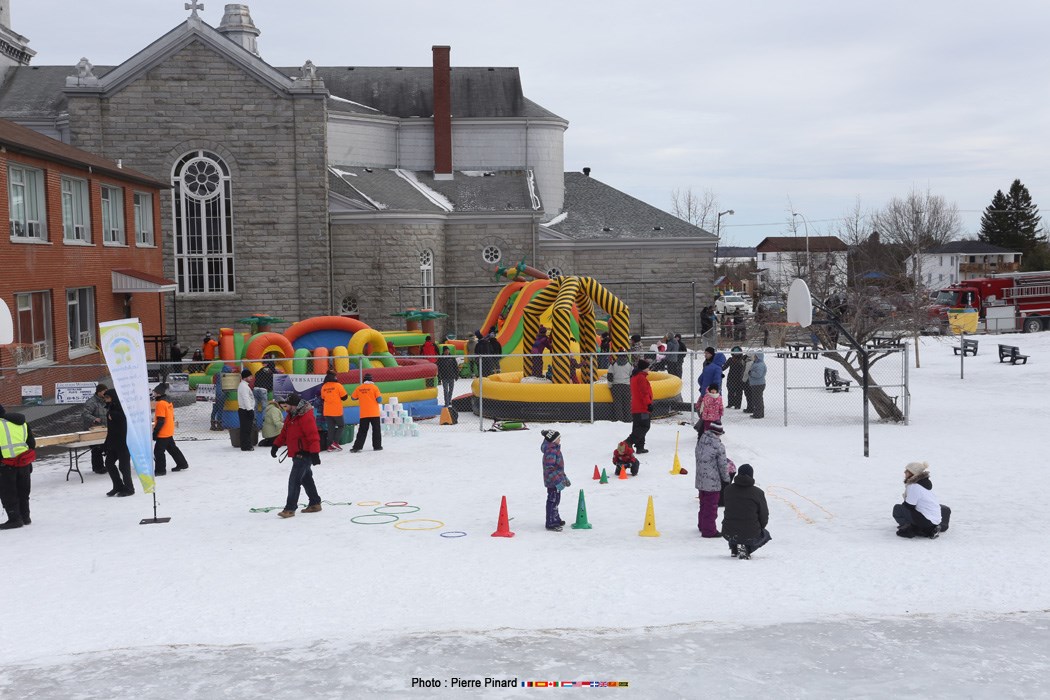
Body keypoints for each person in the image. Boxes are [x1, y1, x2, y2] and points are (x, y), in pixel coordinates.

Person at [270, 393, 322, 518]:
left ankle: (290, 509)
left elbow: (313, 436)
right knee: (306, 478)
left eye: (286, 406)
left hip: (304, 454)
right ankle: (315, 502)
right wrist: (276, 445)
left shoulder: (306, 417)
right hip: (296, 452)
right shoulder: (291, 416)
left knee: (294, 480)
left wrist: (315, 453)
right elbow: (284, 433)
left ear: (294, 406)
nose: (284, 409)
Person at [722, 463, 771, 559]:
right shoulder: (758, 492)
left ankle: (734, 547)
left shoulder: (728, 490)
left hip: (728, 530)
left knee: (736, 526)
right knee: (765, 534)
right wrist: (760, 528)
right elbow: (764, 515)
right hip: (749, 531)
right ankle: (746, 548)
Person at [0, 405, 37, 529]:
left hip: (6, 465)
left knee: (8, 493)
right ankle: (25, 517)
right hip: (24, 463)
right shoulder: (22, 423)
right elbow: (31, 443)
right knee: (23, 491)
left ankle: (14, 519)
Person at [893, 462, 950, 539]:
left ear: (912, 473)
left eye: (907, 471)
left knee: (898, 509)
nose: (904, 472)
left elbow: (909, 506)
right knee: (942, 508)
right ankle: (934, 527)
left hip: (926, 521)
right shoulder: (924, 484)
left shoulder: (914, 486)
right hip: (936, 519)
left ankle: (918, 528)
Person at [694, 420, 730, 537]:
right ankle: (709, 531)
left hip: (700, 480)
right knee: (711, 507)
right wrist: (726, 479)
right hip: (712, 482)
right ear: (717, 433)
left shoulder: (701, 441)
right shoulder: (718, 446)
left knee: (703, 504)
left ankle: (702, 525)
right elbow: (723, 465)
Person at [103, 389, 134, 497]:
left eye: (107, 397)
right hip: (113, 442)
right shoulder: (110, 409)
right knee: (109, 463)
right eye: (105, 398)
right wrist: (106, 444)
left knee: (124, 466)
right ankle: (118, 486)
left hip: (123, 442)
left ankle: (129, 488)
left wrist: (113, 415)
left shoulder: (121, 408)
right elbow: (111, 429)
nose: (106, 400)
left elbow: (124, 419)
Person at [152, 383, 189, 475]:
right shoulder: (168, 401)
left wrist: (156, 432)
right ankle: (182, 464)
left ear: (159, 393)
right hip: (169, 429)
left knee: (158, 451)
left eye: (155, 392)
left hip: (163, 432)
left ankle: (160, 470)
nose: (154, 394)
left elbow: (161, 420)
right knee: (172, 448)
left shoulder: (160, 404)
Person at [540, 429, 570, 531]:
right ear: (553, 440)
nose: (560, 439)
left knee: (556, 500)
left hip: (557, 480)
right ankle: (550, 522)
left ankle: (556, 518)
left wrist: (564, 477)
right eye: (558, 438)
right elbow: (550, 468)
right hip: (552, 481)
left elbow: (558, 467)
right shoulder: (551, 450)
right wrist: (557, 481)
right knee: (552, 500)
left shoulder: (555, 449)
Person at [350, 373, 383, 452]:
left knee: (362, 430)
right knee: (376, 430)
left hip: (364, 413)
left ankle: (357, 447)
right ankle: (377, 446)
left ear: (364, 380)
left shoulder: (359, 388)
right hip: (374, 413)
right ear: (371, 380)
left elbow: (353, 398)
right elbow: (379, 400)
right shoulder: (374, 387)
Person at [81, 383, 109, 474]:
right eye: (104, 391)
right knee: (97, 449)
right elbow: (85, 414)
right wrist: (94, 419)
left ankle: (107, 465)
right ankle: (98, 467)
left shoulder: (106, 401)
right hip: (93, 429)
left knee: (107, 448)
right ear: (99, 392)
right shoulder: (92, 402)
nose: (106, 392)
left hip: (105, 429)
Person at [627, 358, 653, 454]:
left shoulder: (634, 377)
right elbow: (644, 393)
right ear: (643, 368)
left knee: (638, 426)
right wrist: (648, 404)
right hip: (643, 407)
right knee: (645, 426)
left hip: (636, 407)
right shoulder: (641, 378)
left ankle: (639, 447)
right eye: (648, 367)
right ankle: (629, 441)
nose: (649, 369)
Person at [320, 371, 348, 451]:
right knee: (341, 425)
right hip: (336, 411)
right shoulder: (338, 385)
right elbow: (344, 397)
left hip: (327, 411)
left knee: (330, 428)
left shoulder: (324, 386)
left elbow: (323, 398)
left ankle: (329, 446)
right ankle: (335, 442)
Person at [606, 354, 633, 423]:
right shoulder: (629, 365)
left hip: (616, 386)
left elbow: (609, 376)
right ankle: (628, 419)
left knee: (617, 403)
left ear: (617, 357)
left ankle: (619, 420)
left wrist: (610, 385)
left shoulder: (613, 364)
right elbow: (632, 375)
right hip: (626, 386)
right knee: (627, 403)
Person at [236, 369, 256, 451]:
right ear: (245, 377)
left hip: (245, 410)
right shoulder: (244, 387)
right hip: (245, 410)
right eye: (249, 376)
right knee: (246, 429)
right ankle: (246, 446)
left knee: (246, 429)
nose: (251, 377)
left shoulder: (244, 385)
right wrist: (250, 410)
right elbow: (246, 399)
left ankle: (246, 444)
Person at [747, 353, 767, 419]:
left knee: (757, 400)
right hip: (755, 384)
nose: (754, 357)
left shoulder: (760, 365)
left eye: (755, 356)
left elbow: (758, 374)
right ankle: (759, 413)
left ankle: (758, 414)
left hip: (758, 384)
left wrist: (751, 373)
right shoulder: (756, 363)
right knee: (757, 399)